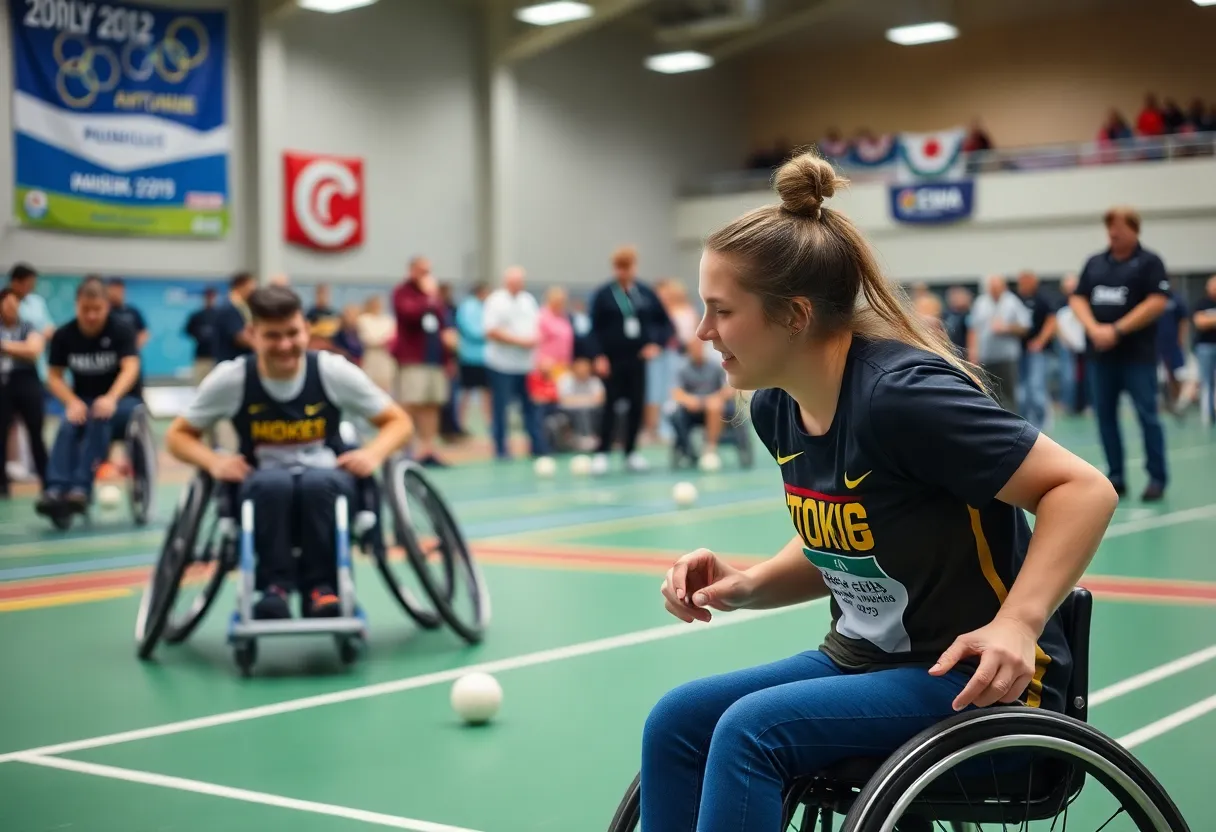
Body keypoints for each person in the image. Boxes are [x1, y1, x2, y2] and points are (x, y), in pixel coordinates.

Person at [641, 152, 1119, 832]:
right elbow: (854, 543)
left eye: (721, 310)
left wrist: (1018, 622)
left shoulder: (904, 399)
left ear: (795, 316)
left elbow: (1082, 489)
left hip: (975, 682)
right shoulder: (780, 406)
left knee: (750, 731)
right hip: (867, 665)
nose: (702, 332)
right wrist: (746, 583)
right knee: (678, 720)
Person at [165, 286, 413, 620]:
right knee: (273, 485)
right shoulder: (233, 379)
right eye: (273, 336)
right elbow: (177, 436)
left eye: (293, 333)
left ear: (306, 330)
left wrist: (373, 454)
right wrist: (214, 461)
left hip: (328, 477)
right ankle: (274, 588)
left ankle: (322, 589)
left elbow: (399, 422)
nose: (285, 345)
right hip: (261, 481)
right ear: (253, 335)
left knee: (317, 484)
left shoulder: (331, 371)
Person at [1069, 206, 1169, 501]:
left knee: (1147, 416)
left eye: (1119, 228)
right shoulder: (1095, 263)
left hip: (1137, 357)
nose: (1112, 233)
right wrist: (1094, 328)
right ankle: (1116, 475)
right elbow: (1077, 299)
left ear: (1134, 229)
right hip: (1101, 358)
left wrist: (1117, 330)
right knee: (1105, 417)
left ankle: (1157, 477)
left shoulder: (1150, 263)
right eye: (1109, 228)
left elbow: (1157, 302)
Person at [38, 277, 142, 517]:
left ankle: (80, 488)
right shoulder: (64, 335)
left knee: (99, 418)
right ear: (77, 306)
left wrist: (111, 398)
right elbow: (53, 376)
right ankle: (54, 488)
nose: (92, 316)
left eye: (97, 310)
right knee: (67, 424)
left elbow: (131, 367)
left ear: (106, 306)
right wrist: (71, 401)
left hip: (123, 402)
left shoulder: (121, 330)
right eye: (86, 309)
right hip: (84, 398)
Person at [587, 245, 674, 474]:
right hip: (611, 361)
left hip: (638, 361)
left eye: (628, 267)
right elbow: (593, 329)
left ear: (634, 267)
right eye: (619, 267)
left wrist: (656, 344)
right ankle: (602, 452)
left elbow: (665, 324)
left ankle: (631, 452)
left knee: (637, 405)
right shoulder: (604, 294)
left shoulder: (645, 293)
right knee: (610, 406)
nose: (624, 272)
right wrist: (598, 356)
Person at [0, 287, 48, 497]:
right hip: (3, 385)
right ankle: (2, 485)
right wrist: (20, 349)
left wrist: (5, 347)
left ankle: (48, 482)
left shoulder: (28, 326)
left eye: (15, 304)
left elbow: (34, 350)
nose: (12, 308)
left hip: (27, 383)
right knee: (1, 435)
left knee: (36, 432)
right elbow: (26, 349)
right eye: (7, 304)